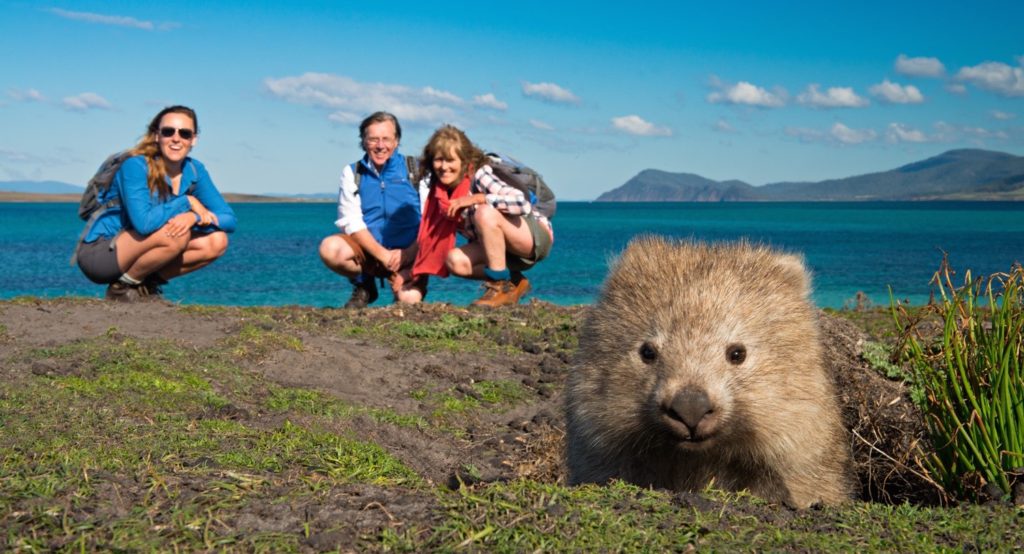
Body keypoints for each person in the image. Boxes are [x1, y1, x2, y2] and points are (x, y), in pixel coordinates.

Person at [76, 105, 236, 302]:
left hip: (143, 246)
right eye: (168, 132)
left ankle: (143, 286)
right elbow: (144, 224)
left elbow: (228, 219)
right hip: (102, 252)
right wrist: (186, 201)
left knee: (217, 241)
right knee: (176, 234)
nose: (176, 139)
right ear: (156, 136)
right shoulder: (135, 166)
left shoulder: (194, 170)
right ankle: (120, 289)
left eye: (184, 133)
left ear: (193, 139)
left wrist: (192, 217)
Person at [412, 125, 553, 307]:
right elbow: (428, 237)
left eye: (450, 160)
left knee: (484, 212)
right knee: (454, 261)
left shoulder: (480, 175)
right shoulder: (439, 194)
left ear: (464, 161)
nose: (444, 167)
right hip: (499, 249)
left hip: (532, 237)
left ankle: (498, 286)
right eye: (439, 160)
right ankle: (514, 283)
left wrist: (478, 199)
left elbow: (521, 203)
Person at [319, 111, 428, 308]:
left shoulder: (417, 169)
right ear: (363, 141)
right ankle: (365, 285)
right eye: (373, 139)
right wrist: (383, 255)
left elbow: (431, 220)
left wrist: (408, 254)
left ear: (396, 141)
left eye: (386, 139)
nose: (380, 146)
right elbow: (350, 221)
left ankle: (406, 281)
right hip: (371, 254)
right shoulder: (353, 172)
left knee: (408, 302)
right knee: (330, 249)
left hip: (411, 253)